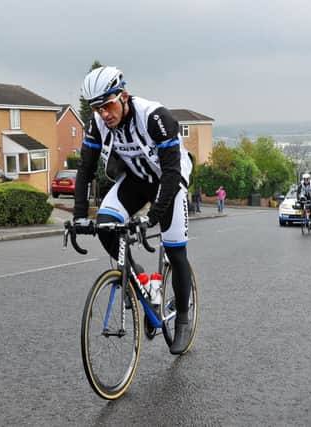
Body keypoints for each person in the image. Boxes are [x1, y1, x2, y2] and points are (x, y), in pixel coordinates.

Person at [73, 66, 194, 355]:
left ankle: (183, 319)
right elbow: (85, 168)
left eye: (108, 105)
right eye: (97, 108)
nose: (104, 114)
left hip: (169, 182)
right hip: (137, 181)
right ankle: (140, 279)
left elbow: (170, 173)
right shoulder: (98, 123)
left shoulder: (154, 117)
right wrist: (78, 215)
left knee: (175, 250)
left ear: (123, 95)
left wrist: (152, 217)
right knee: (105, 224)